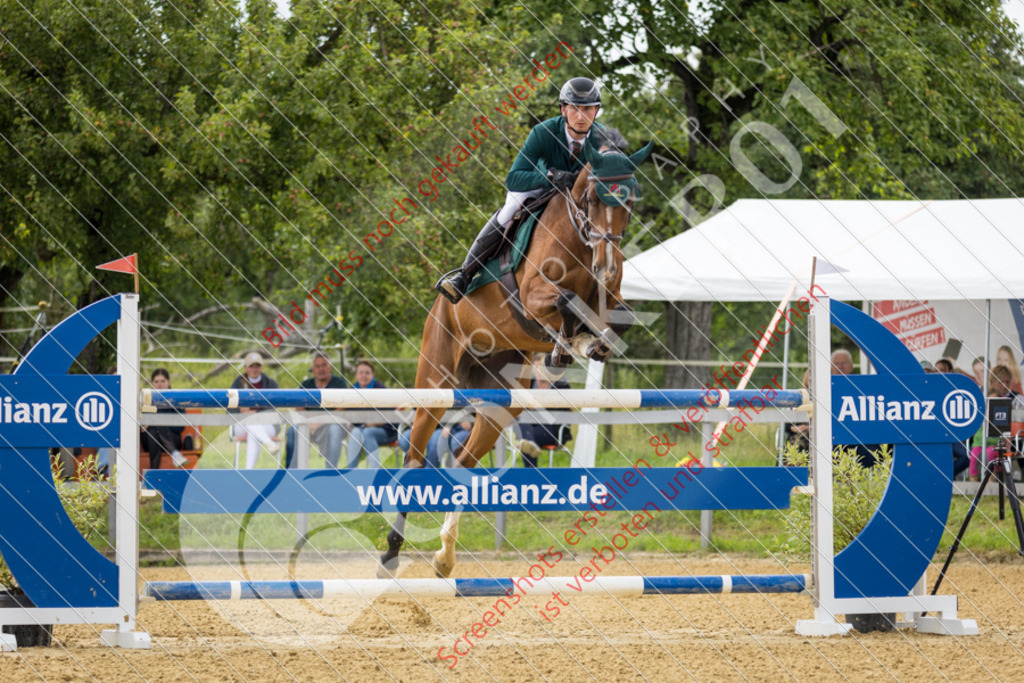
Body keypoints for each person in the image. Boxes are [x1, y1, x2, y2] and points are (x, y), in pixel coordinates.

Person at [435, 77, 605, 304]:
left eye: (588, 109)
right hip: (540, 191)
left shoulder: (604, 139)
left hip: (580, 200)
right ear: (563, 109)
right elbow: (514, 179)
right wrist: (550, 177)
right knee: (510, 208)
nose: (581, 116)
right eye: (575, 108)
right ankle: (464, 275)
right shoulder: (543, 132)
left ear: (596, 111)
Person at [284, 351, 349, 469]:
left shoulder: (339, 383)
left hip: (331, 424)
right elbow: (299, 410)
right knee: (293, 430)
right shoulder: (306, 385)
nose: (321, 369)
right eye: (317, 366)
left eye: (324, 365)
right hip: (309, 425)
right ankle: (292, 471)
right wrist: (309, 423)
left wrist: (319, 422)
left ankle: (331, 471)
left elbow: (340, 410)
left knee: (335, 429)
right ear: (312, 369)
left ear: (330, 367)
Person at [516, 361, 573, 468]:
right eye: (536, 368)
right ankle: (530, 443)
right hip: (529, 426)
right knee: (522, 424)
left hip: (553, 429)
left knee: (526, 440)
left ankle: (531, 474)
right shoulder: (528, 384)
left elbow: (560, 409)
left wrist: (537, 405)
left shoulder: (561, 385)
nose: (539, 371)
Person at [230, 352, 280, 469]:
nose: (254, 369)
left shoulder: (271, 384)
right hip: (241, 425)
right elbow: (229, 409)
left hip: (267, 425)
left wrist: (255, 413)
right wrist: (240, 411)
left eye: (257, 366)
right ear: (245, 368)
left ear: (262, 367)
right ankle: (269, 443)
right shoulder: (238, 383)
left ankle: (249, 472)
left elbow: (273, 409)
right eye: (251, 366)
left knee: (253, 432)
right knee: (250, 422)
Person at [346, 360, 398, 468]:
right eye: (361, 372)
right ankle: (350, 473)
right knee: (356, 433)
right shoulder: (351, 391)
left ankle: (375, 472)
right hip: (361, 428)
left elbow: (391, 418)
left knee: (368, 432)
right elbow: (351, 416)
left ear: (372, 374)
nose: (363, 376)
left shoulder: (381, 390)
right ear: (356, 375)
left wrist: (375, 423)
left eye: (367, 373)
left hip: (386, 431)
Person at [141, 368, 188, 469]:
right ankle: (175, 455)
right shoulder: (146, 400)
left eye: (163, 381)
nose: (159, 384)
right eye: (156, 381)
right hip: (148, 441)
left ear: (168, 382)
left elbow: (180, 428)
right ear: (152, 383)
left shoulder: (176, 399)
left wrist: (154, 422)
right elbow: (142, 427)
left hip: (172, 439)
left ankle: (153, 473)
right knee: (153, 432)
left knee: (155, 429)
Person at [398, 417, 473, 469]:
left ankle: (430, 470)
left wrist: (450, 424)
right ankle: (417, 468)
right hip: (423, 423)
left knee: (437, 438)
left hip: (448, 426)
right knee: (405, 440)